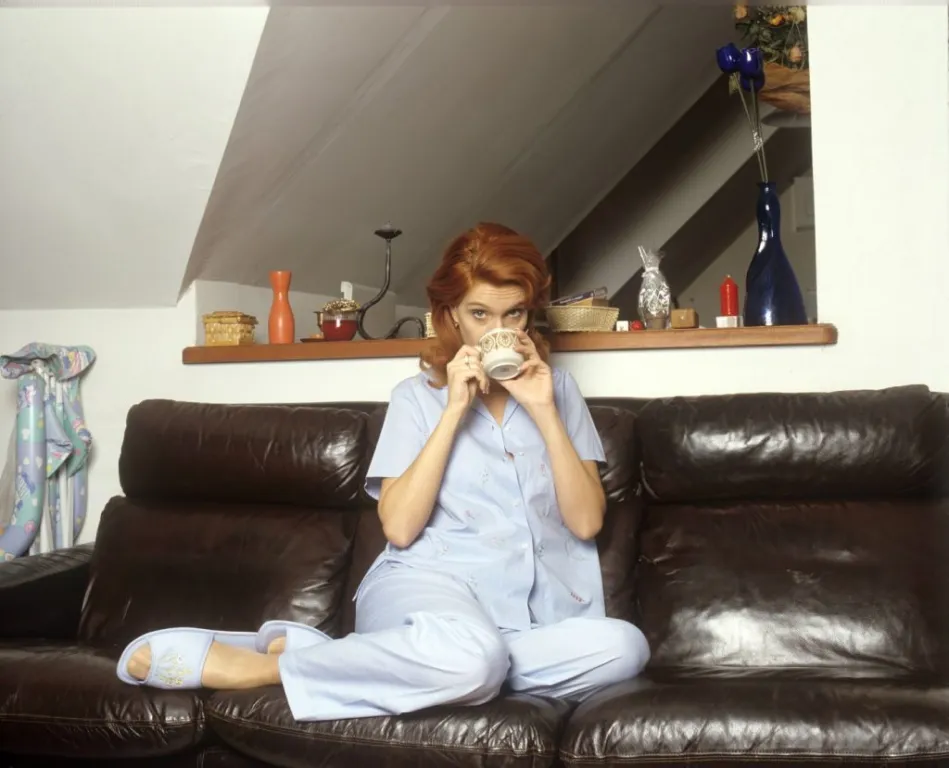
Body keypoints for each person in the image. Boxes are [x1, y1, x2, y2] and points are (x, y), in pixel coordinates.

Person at [117, 222, 650, 721]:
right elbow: (399, 527)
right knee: (472, 657)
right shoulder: (416, 399)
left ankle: (407, 663)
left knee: (624, 647)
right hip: (426, 587)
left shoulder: (558, 392)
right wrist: (454, 412)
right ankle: (274, 668)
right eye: (480, 314)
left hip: (529, 623)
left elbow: (585, 523)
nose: (499, 330)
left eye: (514, 315)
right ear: (451, 315)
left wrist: (543, 410)